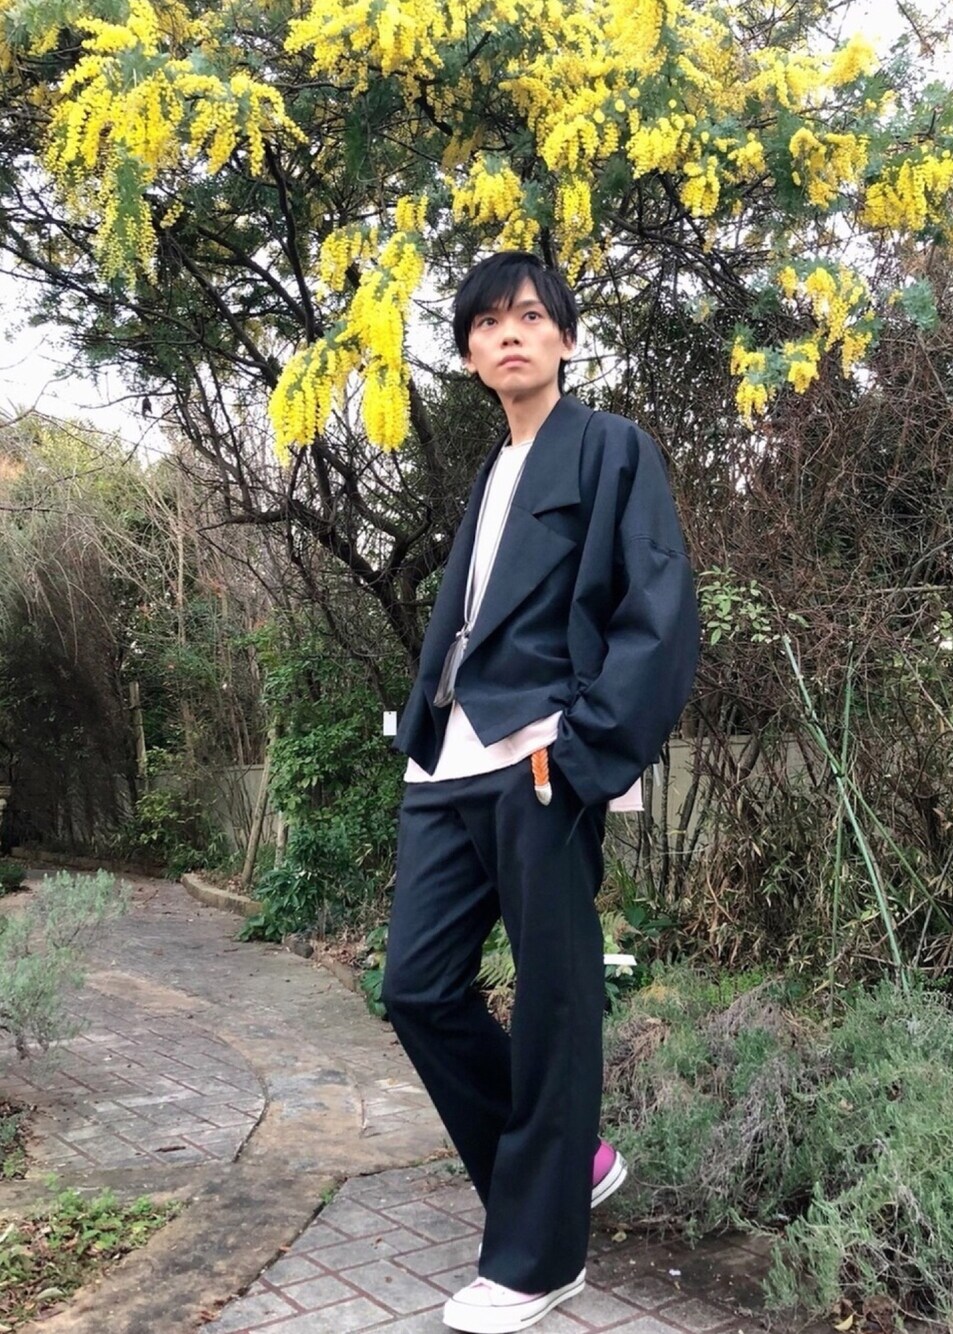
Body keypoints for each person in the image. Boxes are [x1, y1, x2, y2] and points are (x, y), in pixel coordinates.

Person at [382, 251, 699, 1333]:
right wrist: (423, 728)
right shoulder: (491, 472)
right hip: (447, 761)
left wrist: (584, 750)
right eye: (486, 323)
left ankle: (537, 1258)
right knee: (417, 989)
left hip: (538, 760)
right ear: (470, 355)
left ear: (564, 337)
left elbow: (657, 608)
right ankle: (571, 1166)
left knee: (555, 1005)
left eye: (528, 316)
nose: (508, 334)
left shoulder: (608, 447)